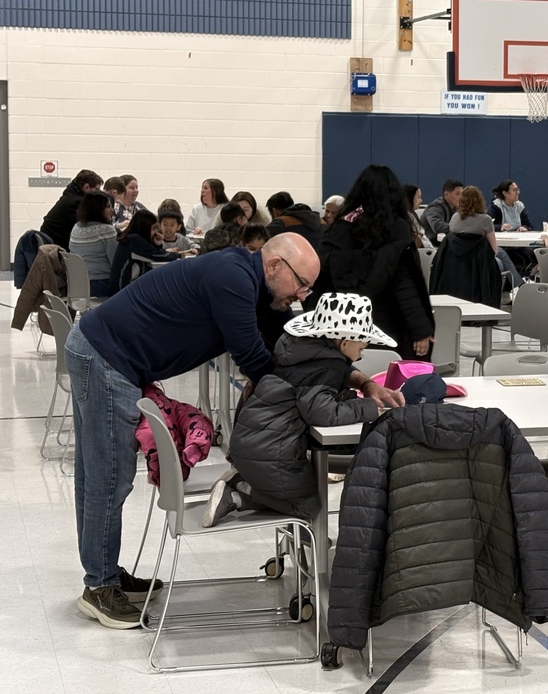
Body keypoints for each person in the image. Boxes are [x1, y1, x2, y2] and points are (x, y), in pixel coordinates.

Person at [65, 233, 349, 630]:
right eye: (301, 284)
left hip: (103, 352)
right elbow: (252, 355)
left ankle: (104, 573)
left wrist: (347, 373)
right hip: (106, 357)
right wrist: (301, 393)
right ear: (274, 265)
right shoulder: (233, 279)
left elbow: (288, 341)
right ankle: (99, 585)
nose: (303, 296)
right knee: (107, 478)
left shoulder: (254, 286)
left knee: (98, 475)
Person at [203, 293, 402, 527]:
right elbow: (322, 413)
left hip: (252, 443)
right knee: (307, 506)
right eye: (362, 346)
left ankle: (244, 482)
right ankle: (238, 492)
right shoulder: (330, 366)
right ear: (344, 343)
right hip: (271, 452)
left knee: (303, 490)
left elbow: (315, 387)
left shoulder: (303, 352)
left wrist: (363, 386)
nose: (361, 354)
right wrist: (368, 407)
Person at [310, 164, 435, 360]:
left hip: (340, 327)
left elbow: (321, 278)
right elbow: (405, 285)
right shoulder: (397, 229)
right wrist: (420, 330)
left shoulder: (340, 227)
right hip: (385, 327)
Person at [449, 185, 523, 287]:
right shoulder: (485, 220)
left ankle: (518, 284)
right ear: (480, 201)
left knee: (501, 253)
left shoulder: (454, 218)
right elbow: (493, 250)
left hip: (457, 256)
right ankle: (519, 285)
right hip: (479, 258)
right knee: (500, 257)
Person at [107, 211, 180, 295]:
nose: (155, 232)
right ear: (145, 228)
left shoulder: (132, 238)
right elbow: (157, 256)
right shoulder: (134, 241)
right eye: (153, 229)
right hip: (122, 292)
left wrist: (157, 244)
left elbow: (155, 253)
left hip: (126, 288)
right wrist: (179, 255)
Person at [69, 191, 118, 297]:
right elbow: (116, 263)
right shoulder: (107, 230)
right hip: (101, 284)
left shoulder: (76, 227)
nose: (112, 210)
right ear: (97, 209)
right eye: (108, 207)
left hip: (78, 285)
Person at [41, 169, 104, 250]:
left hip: (51, 240)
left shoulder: (70, 195)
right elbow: (86, 227)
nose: (98, 193)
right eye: (97, 189)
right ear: (86, 187)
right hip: (57, 245)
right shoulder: (76, 203)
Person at [420, 179, 463, 246]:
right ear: (446, 194)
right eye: (458, 194)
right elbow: (437, 227)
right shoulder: (435, 207)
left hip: (445, 244)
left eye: (462, 194)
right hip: (431, 246)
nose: (461, 197)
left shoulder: (456, 207)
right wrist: (461, 228)